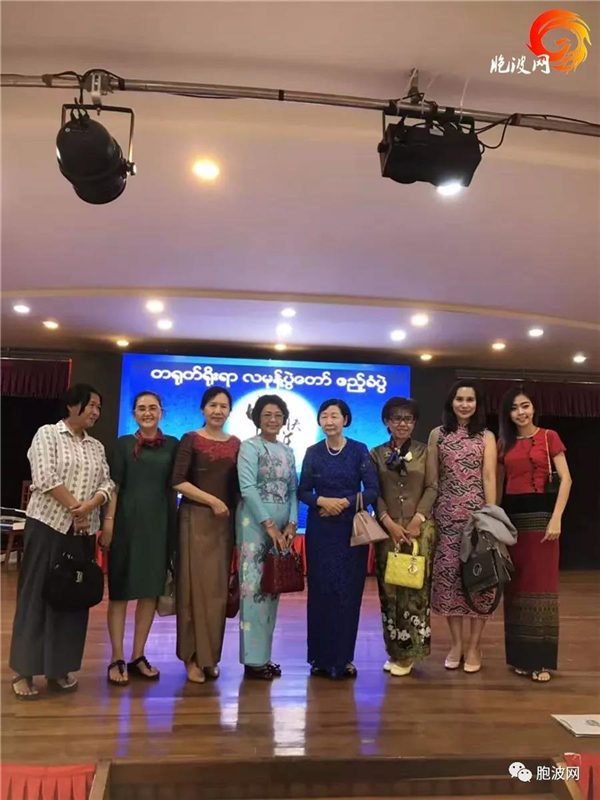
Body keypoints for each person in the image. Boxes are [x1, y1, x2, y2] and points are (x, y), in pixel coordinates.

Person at [9, 384, 114, 699]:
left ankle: (59, 668)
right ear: (71, 405)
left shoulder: (96, 446)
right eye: (91, 405)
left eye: (98, 407)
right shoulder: (48, 434)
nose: (96, 411)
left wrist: (90, 507)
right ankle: (25, 670)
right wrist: (75, 508)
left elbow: (107, 482)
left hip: (81, 534)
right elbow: (45, 477)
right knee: (37, 596)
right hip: (48, 527)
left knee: (72, 598)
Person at [100, 391, 178, 685]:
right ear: (133, 413)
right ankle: (116, 656)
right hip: (126, 525)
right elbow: (114, 486)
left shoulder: (173, 444)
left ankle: (138, 655)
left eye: (153, 408)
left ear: (161, 412)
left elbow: (177, 485)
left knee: (150, 592)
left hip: (159, 526)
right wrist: (108, 523)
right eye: (142, 408)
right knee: (120, 592)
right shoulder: (122, 444)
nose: (147, 413)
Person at [298, 398, 379, 679]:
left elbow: (372, 490)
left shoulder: (359, 450)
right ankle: (320, 659)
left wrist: (345, 502)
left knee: (348, 594)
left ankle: (344, 659)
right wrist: (321, 500)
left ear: (345, 420)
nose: (329, 421)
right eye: (324, 416)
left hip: (350, 531)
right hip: (320, 530)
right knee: (321, 592)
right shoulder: (312, 452)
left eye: (335, 415)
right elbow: (303, 491)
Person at [497, 386, 572, 683]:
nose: (521, 412)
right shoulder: (504, 442)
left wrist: (557, 518)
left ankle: (540, 661)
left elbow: (566, 479)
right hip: (512, 518)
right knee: (515, 588)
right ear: (508, 414)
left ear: (533, 408)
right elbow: (499, 485)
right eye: (514, 408)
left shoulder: (549, 436)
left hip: (542, 516)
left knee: (541, 587)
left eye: (525, 406)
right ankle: (520, 658)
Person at [172, 386, 240, 684]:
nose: (218, 411)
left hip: (224, 525)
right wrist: (211, 501)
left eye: (223, 406)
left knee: (216, 593)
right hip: (195, 519)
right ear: (203, 409)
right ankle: (191, 658)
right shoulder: (191, 439)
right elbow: (177, 480)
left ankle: (210, 656)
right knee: (192, 590)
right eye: (212, 405)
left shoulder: (236, 443)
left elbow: (238, 489)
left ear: (229, 411)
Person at [430, 382, 497, 674]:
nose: (465, 404)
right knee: (449, 583)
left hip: (477, 520)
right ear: (451, 402)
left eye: (470, 399)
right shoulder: (438, 434)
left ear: (477, 404)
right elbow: (433, 479)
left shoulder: (486, 436)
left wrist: (491, 518)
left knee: (480, 582)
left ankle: (474, 646)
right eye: (460, 399)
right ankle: (456, 644)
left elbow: (489, 477)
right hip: (445, 518)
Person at [370, 397, 437, 677]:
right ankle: (395, 651)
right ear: (386, 422)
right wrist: (387, 522)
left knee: (415, 591)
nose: (402, 423)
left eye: (408, 419)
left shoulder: (426, 452)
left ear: (414, 423)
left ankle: (412, 652)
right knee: (390, 592)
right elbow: (374, 491)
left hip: (419, 530)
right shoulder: (376, 454)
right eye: (396, 418)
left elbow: (433, 487)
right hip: (387, 531)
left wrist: (417, 520)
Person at [236, 394, 298, 680]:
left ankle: (265, 656)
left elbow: (293, 490)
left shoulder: (288, 451)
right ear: (257, 418)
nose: (273, 420)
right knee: (254, 590)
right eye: (267, 415)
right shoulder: (249, 447)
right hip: (254, 524)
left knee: (274, 585)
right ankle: (253, 661)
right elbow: (248, 488)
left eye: (278, 415)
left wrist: (292, 524)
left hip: (282, 528)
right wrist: (269, 525)